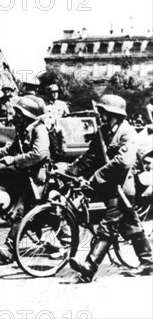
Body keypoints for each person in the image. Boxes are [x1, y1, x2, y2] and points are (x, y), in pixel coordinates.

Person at [67, 95, 153, 281]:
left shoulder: (127, 132)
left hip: (122, 190)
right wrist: (69, 171)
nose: (100, 115)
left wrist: (95, 177)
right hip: (108, 188)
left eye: (103, 112)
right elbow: (89, 157)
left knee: (107, 227)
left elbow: (123, 162)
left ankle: (89, 267)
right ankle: (148, 261)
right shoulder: (103, 131)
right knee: (131, 225)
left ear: (113, 113)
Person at [0, 97, 50, 264]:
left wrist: (14, 160)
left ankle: (62, 239)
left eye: (19, 113)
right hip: (28, 177)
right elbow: (11, 149)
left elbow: (39, 153)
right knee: (24, 213)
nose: (15, 115)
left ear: (27, 115)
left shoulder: (39, 129)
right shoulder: (24, 129)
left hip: (38, 177)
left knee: (29, 212)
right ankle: (12, 248)